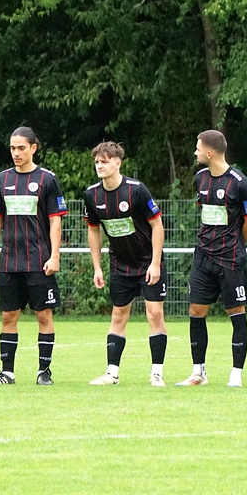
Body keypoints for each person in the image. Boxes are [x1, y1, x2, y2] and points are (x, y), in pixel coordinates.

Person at [0, 127, 68, 385]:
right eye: (12, 148)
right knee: (8, 316)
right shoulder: (2, 179)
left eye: (21, 148)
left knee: (43, 316)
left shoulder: (47, 180)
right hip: (10, 261)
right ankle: (7, 372)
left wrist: (55, 255)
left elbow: (55, 221)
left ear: (33, 148)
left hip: (39, 260)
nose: (16, 153)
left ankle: (44, 372)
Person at [178, 129, 247, 388]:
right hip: (203, 257)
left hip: (230, 259)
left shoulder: (240, 183)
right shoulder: (200, 178)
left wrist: (234, 244)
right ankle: (198, 372)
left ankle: (236, 374)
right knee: (196, 310)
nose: (196, 152)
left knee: (236, 312)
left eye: (198, 148)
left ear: (210, 153)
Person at [83, 141, 168, 386]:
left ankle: (157, 373)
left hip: (148, 262)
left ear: (118, 163)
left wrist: (155, 263)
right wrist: (97, 267)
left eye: (105, 161)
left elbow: (157, 225)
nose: (100, 165)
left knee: (155, 314)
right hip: (120, 265)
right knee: (118, 314)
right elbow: (93, 230)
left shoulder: (137, 190)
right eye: (97, 161)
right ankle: (112, 373)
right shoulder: (92, 195)